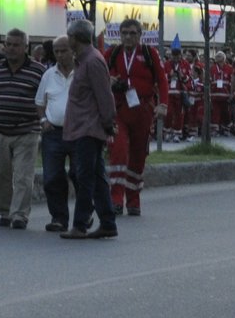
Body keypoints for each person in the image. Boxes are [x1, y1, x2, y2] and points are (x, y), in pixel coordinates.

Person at [61, 18, 118, 240]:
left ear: (74, 38)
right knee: (96, 177)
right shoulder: (84, 61)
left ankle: (80, 224)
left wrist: (108, 122)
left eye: (69, 37)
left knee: (85, 178)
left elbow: (105, 96)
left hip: (89, 129)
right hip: (83, 127)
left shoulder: (93, 61)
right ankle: (108, 222)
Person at [0, 28, 44, 229]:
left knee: (23, 176)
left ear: (25, 47)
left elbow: (43, 100)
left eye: (15, 45)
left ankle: (19, 215)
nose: (10, 48)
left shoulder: (38, 71)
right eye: (8, 44)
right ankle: (5, 211)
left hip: (27, 131)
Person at [106, 19, 167, 216]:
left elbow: (162, 80)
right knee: (118, 151)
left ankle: (133, 199)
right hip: (119, 110)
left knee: (138, 156)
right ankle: (115, 198)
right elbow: (97, 75)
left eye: (132, 33)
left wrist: (163, 104)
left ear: (140, 35)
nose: (128, 37)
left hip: (143, 111)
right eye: (124, 33)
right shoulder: (112, 54)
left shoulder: (149, 54)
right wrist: (109, 80)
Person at [35, 35, 78, 233]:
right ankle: (59, 217)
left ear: (73, 50)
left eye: (64, 50)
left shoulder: (82, 72)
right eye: (57, 51)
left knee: (79, 175)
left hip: (78, 132)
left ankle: (83, 217)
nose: (60, 55)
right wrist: (43, 121)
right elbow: (40, 102)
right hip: (53, 133)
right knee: (52, 177)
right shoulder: (48, 75)